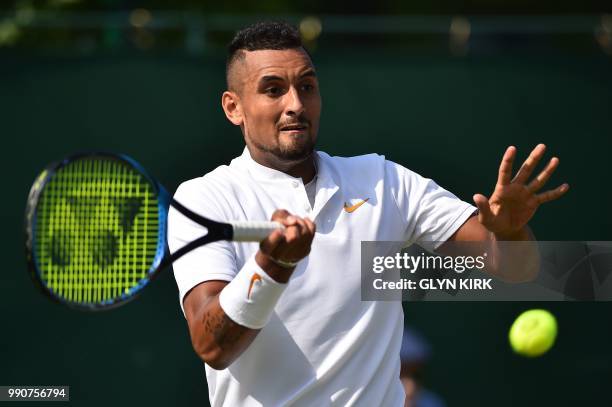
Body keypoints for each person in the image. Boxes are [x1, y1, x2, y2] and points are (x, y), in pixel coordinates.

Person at [167, 21, 568, 407]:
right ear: (233, 107)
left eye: (306, 86)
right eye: (273, 90)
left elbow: (515, 268)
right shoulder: (204, 199)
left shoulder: (383, 180)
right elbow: (212, 345)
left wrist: (511, 233)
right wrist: (272, 266)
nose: (295, 104)